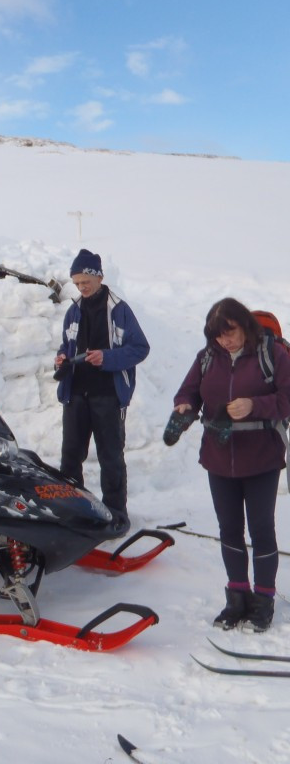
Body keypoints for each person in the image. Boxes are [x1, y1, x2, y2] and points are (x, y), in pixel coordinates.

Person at [171, 298, 290, 632]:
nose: (225, 341)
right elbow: (188, 392)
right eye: (218, 335)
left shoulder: (273, 355)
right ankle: (236, 597)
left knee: (261, 530)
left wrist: (255, 404)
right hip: (219, 458)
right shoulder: (208, 357)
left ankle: (263, 599)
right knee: (229, 529)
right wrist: (183, 406)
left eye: (230, 333)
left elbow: (287, 398)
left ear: (245, 325)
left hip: (261, 458)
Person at [54, 248, 150, 516]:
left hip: (107, 394)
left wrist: (106, 358)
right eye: (77, 283)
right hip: (75, 393)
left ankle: (116, 513)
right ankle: (73, 510)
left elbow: (140, 348)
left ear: (99, 277)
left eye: (86, 282)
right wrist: (62, 357)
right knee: (71, 457)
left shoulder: (119, 310)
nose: (82, 287)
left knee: (111, 458)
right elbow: (66, 344)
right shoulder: (73, 310)